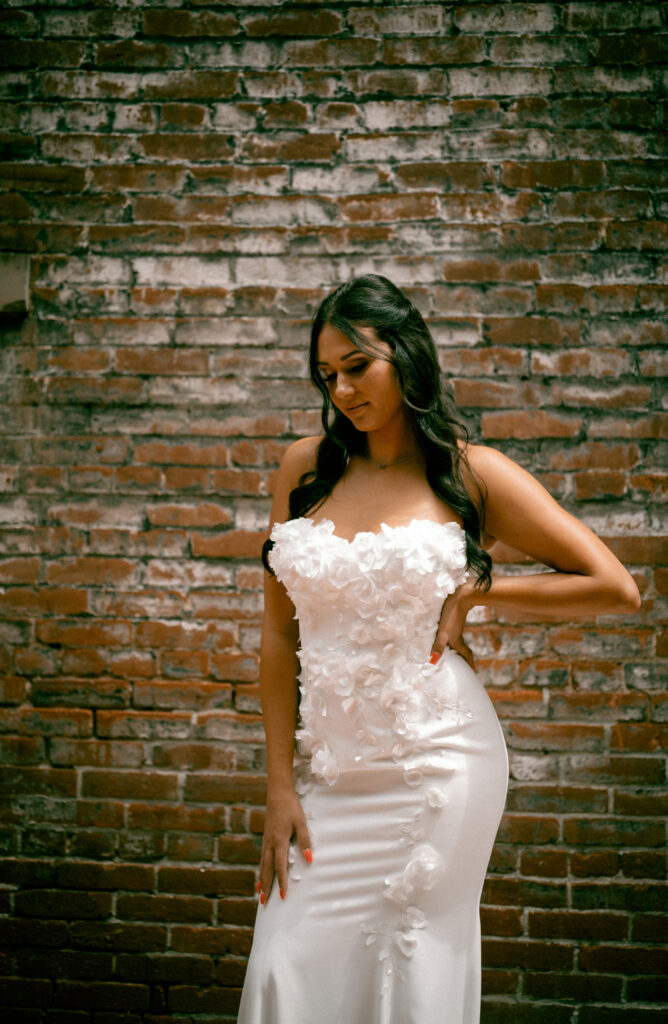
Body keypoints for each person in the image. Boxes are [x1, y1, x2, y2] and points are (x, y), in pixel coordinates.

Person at [237, 274, 640, 1024]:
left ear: (407, 355)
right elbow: (279, 632)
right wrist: (279, 787)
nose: (344, 389)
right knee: (283, 963)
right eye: (329, 375)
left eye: (359, 365)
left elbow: (614, 584)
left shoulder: (469, 472)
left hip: (437, 766)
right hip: (330, 771)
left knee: (404, 969)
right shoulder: (302, 468)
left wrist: (479, 590)